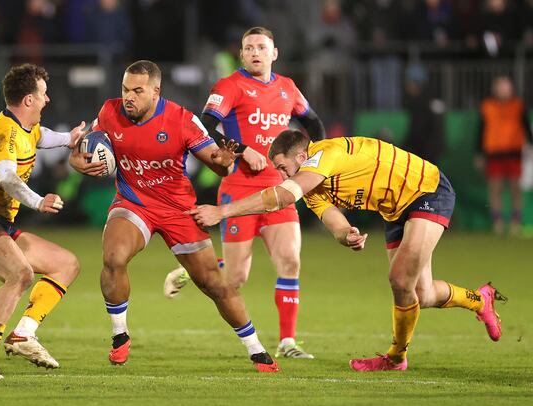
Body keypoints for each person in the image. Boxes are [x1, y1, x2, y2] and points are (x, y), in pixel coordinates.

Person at [188, 130, 507, 372]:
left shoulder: (324, 155)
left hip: (426, 189)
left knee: (399, 280)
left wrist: (223, 212)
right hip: (395, 210)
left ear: (300, 157)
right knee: (419, 293)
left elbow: (282, 197)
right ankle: (480, 299)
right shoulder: (314, 190)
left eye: (283, 168)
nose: (282, 175)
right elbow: (332, 219)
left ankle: (396, 358)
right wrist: (346, 234)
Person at [69, 60, 280, 372]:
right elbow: (85, 151)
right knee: (114, 257)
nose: (129, 97)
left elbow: (218, 164)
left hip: (178, 210)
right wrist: (77, 162)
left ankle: (256, 349)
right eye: (125, 89)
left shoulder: (182, 119)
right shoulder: (109, 112)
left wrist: (224, 161)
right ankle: (119, 335)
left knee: (213, 284)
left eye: (137, 91)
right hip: (133, 202)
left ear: (156, 91)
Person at [164, 26, 325, 359]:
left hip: (280, 189)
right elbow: (203, 125)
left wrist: (313, 156)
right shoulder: (230, 86)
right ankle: (190, 270)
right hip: (239, 190)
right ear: (241, 54)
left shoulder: (287, 88)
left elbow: (313, 123)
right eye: (249, 47)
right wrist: (242, 148)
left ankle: (288, 342)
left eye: (261, 47)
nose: (255, 52)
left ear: (274, 53)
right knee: (236, 277)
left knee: (290, 261)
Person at [0, 63, 89, 380]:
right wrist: (39, 201)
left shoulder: (27, 128)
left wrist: (70, 138)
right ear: (28, 100)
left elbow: (41, 137)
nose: (47, 99)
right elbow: (8, 179)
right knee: (20, 274)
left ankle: (23, 334)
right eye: (43, 93)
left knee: (66, 264)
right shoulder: (3, 132)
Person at [475, 75, 533, 236]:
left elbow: (526, 127)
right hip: (493, 152)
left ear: (511, 89)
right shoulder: (487, 106)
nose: (502, 90)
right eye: (499, 86)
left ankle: (515, 222)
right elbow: (481, 131)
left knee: (515, 188)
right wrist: (478, 153)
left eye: (505, 86)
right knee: (495, 189)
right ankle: (498, 223)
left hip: (514, 152)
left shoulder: (518, 105)